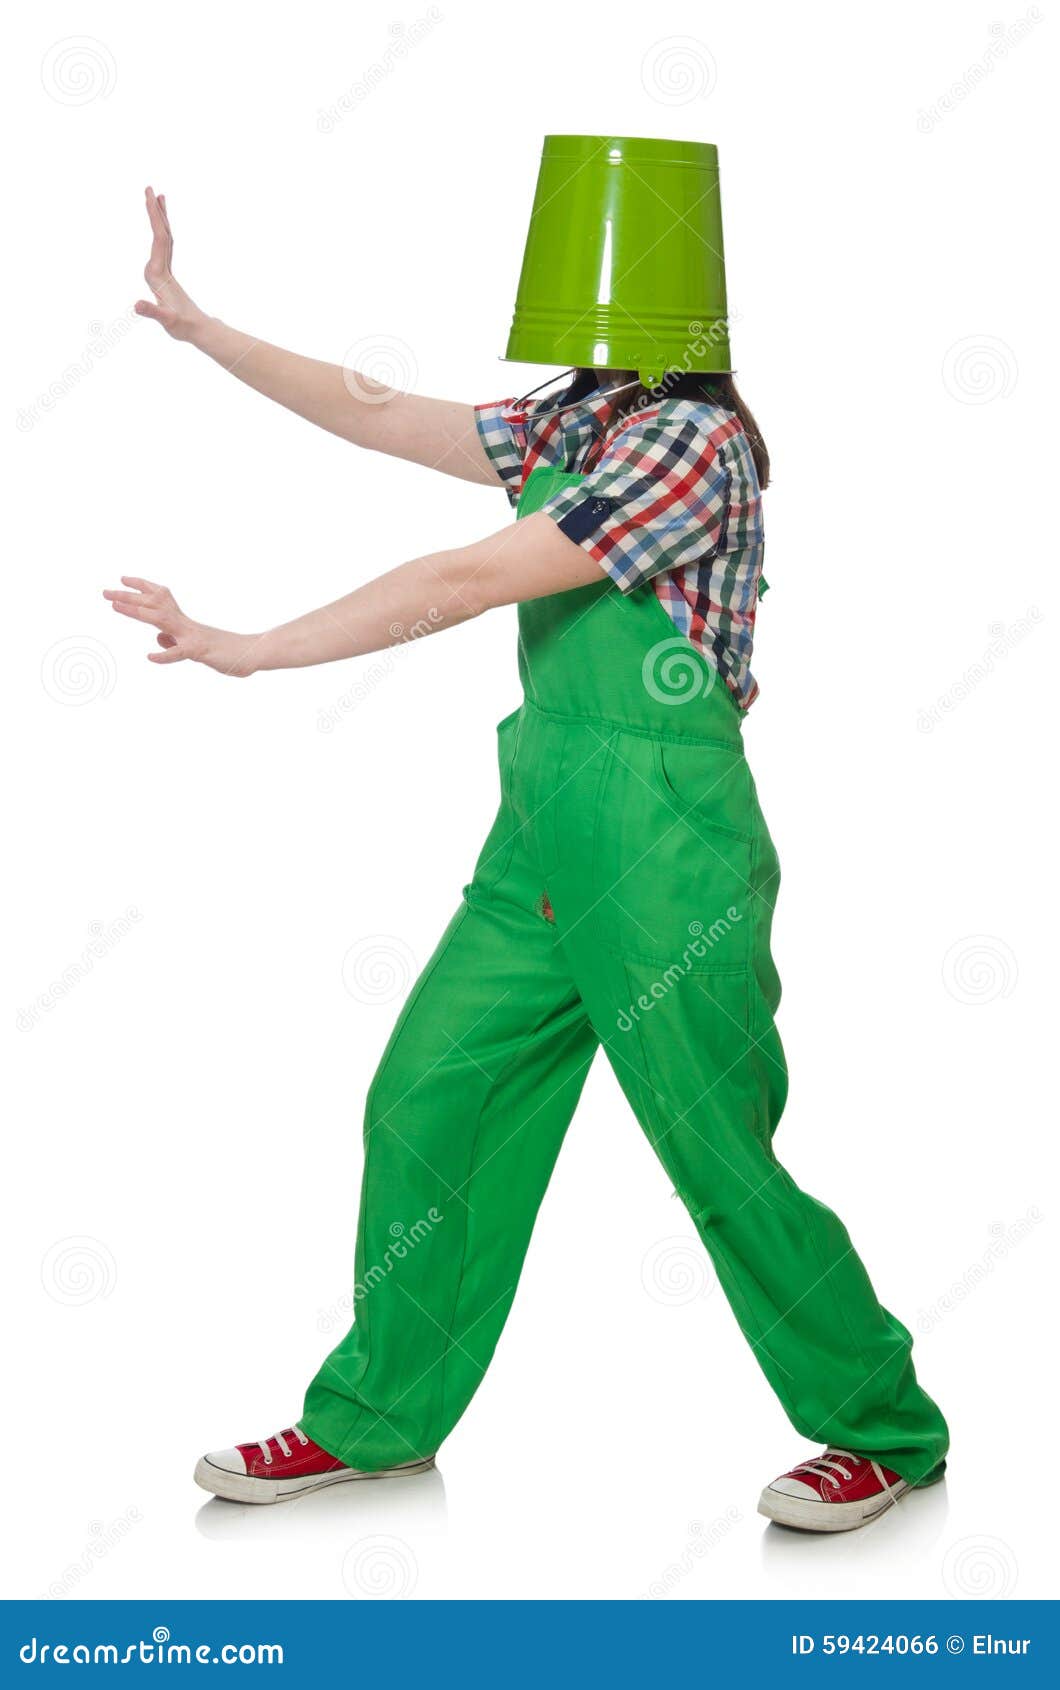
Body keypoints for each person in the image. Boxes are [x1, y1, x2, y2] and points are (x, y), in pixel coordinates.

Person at [107, 137, 948, 1532]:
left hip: (666, 838)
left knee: (713, 1145)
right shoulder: (581, 416)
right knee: (430, 1091)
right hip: (544, 827)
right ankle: (379, 1416)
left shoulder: (694, 444)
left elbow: (468, 575)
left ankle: (883, 1426)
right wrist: (206, 331)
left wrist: (253, 648)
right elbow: (383, 414)